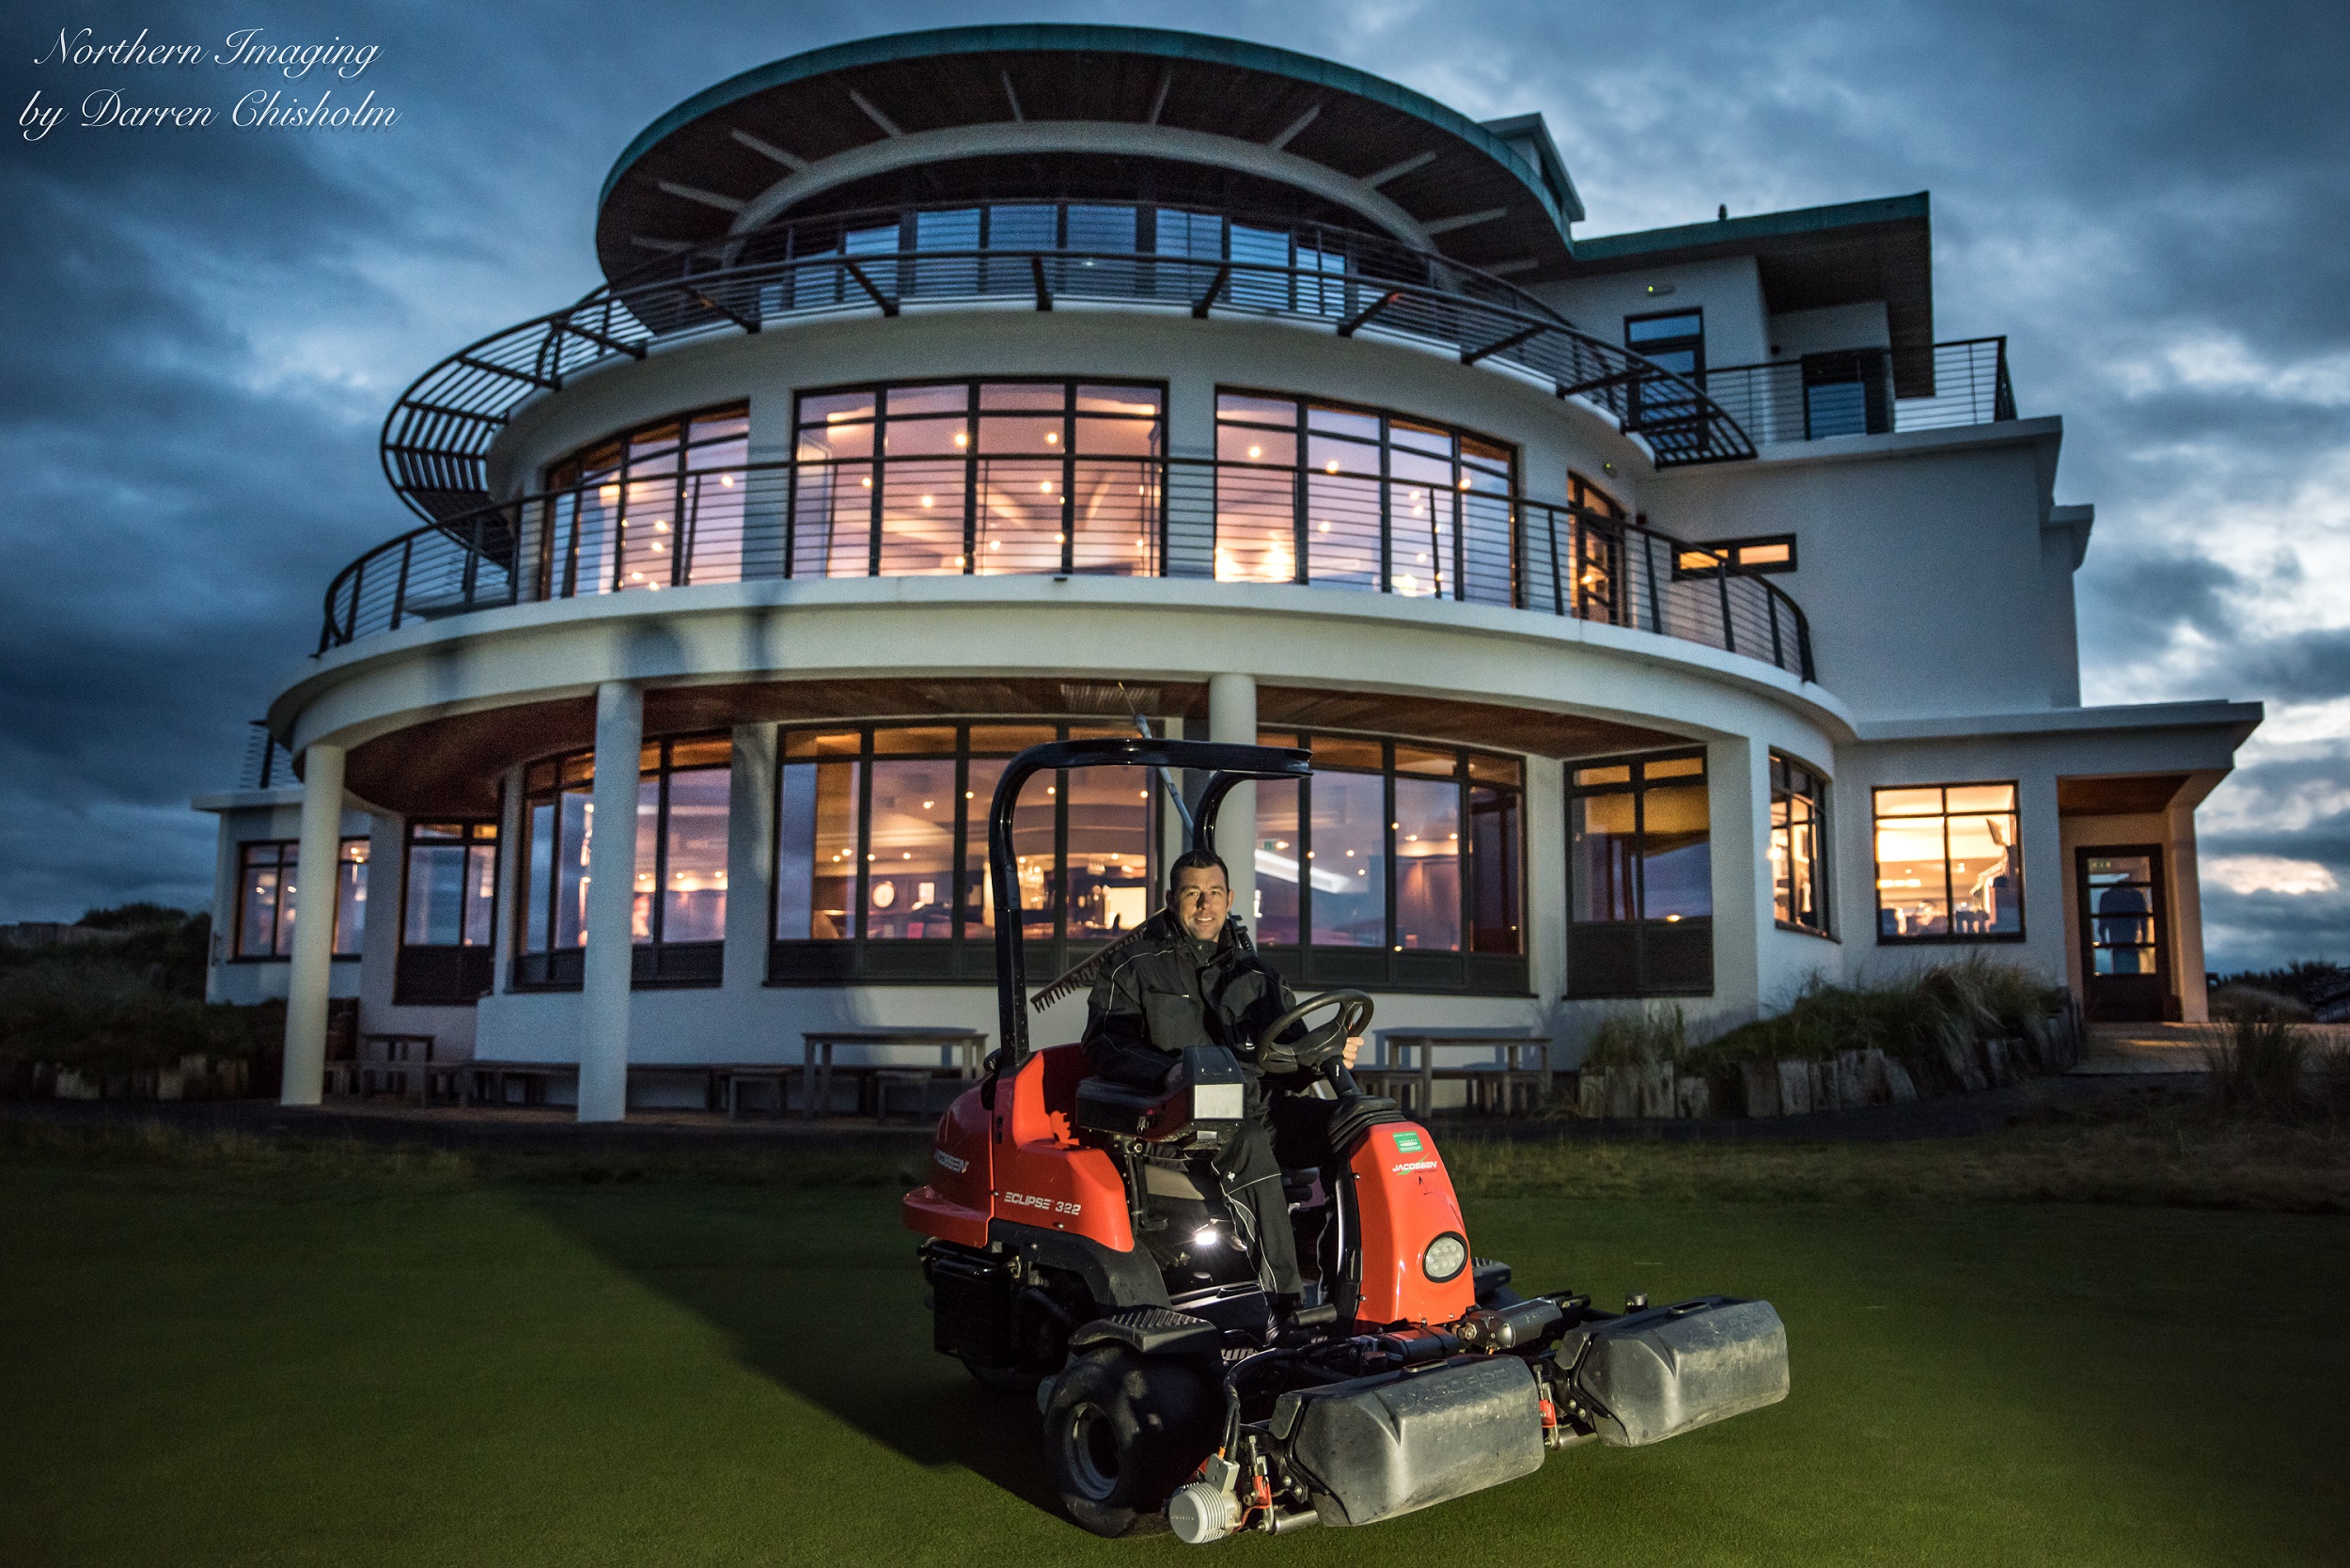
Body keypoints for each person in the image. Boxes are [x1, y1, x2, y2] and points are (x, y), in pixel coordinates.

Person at [1080, 848, 1356, 1314]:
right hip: (1177, 1124)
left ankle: (1349, 1284)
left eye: (1213, 894)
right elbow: (1104, 1043)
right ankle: (1287, 1307)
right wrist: (1166, 1071)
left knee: (1355, 1125)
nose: (1204, 905)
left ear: (1229, 898)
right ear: (1171, 900)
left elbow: (1288, 1057)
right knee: (1246, 1139)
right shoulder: (1134, 966)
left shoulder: (1258, 975)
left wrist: (1325, 1054)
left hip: (1260, 1111)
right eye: (1192, 894)